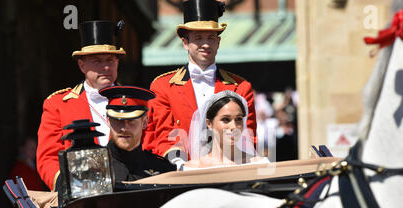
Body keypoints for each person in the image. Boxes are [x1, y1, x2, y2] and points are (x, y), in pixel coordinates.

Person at [143, 0, 257, 169]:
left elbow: (248, 137)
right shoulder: (163, 87)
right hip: (181, 173)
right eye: (198, 38)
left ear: (218, 43)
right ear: (185, 43)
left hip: (229, 172)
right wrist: (181, 164)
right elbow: (163, 135)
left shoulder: (241, 87)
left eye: (211, 38)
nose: (205, 44)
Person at [37, 20, 126, 191]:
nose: (106, 66)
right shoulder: (57, 105)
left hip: (129, 192)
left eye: (110, 59)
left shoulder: (136, 101)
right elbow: (47, 158)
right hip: (80, 196)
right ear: (82, 65)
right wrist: (67, 186)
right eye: (97, 61)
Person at [99, 85, 177, 181]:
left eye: (131, 121)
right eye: (118, 121)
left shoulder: (163, 169)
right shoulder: (94, 167)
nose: (124, 128)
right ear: (108, 121)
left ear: (144, 122)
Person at [184, 90, 268, 169]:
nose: (234, 126)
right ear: (209, 123)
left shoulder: (259, 164)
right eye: (226, 119)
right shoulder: (192, 168)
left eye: (238, 119)